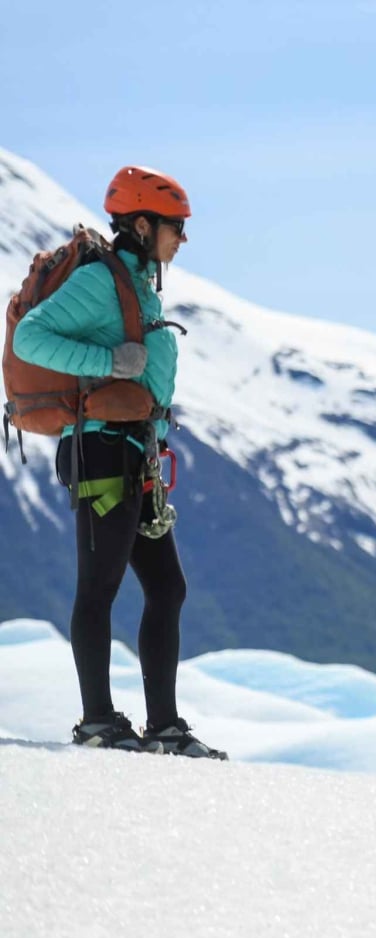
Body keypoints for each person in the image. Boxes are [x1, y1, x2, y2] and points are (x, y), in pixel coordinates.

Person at [12, 165, 222, 758]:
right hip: (102, 448)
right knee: (99, 586)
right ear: (142, 225)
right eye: (175, 226)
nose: (182, 238)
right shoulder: (101, 281)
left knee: (167, 588)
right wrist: (110, 364)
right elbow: (30, 337)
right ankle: (99, 722)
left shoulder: (137, 284)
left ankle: (164, 727)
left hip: (133, 452)